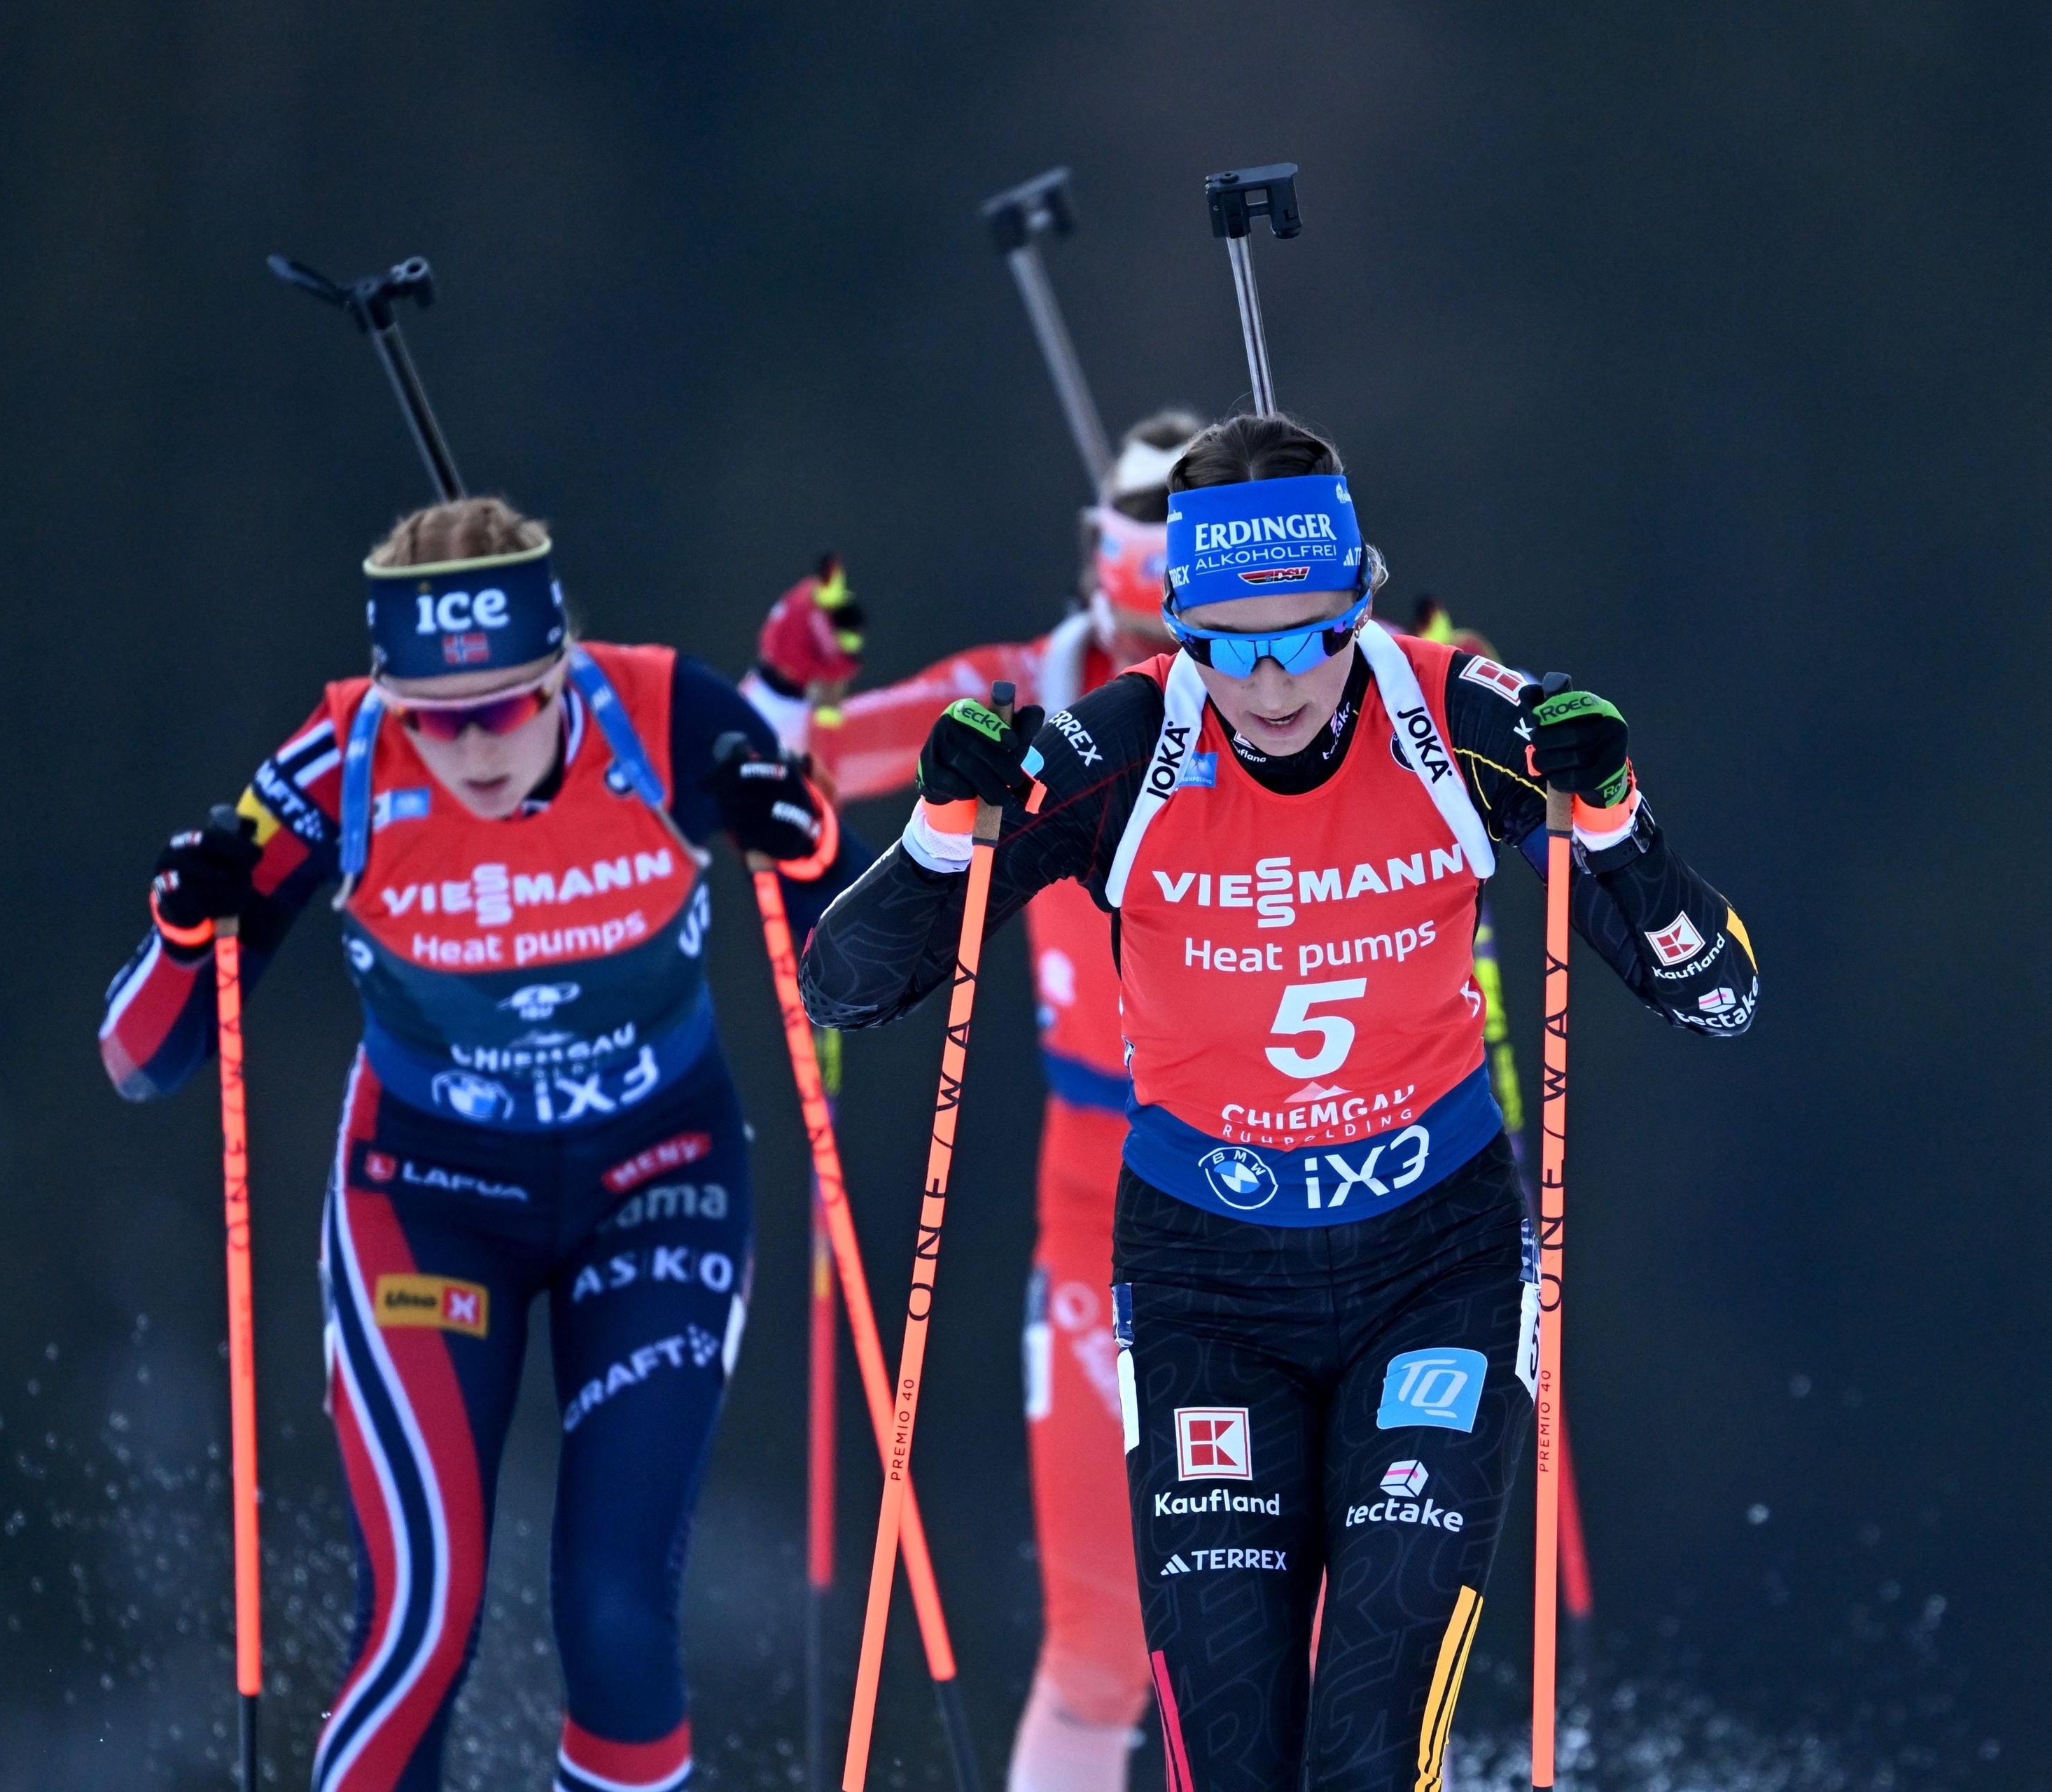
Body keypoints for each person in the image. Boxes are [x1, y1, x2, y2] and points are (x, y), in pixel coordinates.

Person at [799, 414, 1758, 1792]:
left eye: (1307, 635)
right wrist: (938, 830)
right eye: (1230, 644)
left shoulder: (1461, 723)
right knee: (1229, 1753)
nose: (1271, 681)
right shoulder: (1119, 750)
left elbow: (1715, 993)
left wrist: (1612, 812)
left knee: (1366, 1744)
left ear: (1357, 602)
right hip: (1206, 1280)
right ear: (1177, 626)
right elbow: (850, 984)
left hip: (1435, 1264)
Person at [99, 496, 862, 1792]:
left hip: (657, 1184)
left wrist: (796, 826)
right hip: (429, 1197)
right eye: (437, 718)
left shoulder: (665, 713)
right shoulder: (339, 760)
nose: (473, 749)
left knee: (617, 1616)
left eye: (507, 706)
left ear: (561, 667)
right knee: (422, 1615)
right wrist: (188, 926)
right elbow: (142, 1058)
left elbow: (839, 906)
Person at [742, 411, 1199, 1792]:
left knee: (1270, 1641)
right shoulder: (1023, 689)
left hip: (1283, 1177)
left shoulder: (1284, 687)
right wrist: (783, 681)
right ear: (1096, 567)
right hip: (1093, 1211)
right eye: (1140, 639)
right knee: (1104, 1643)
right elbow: (811, 758)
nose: (1160, 674)